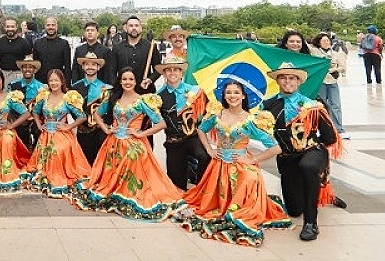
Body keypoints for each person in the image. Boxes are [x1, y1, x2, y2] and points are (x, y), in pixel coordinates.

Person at [179, 80, 288, 246]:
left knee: (250, 179)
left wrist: (252, 159)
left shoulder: (252, 120)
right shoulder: (217, 115)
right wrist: (210, 149)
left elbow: (275, 148)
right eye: (228, 92)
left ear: (243, 95)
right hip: (219, 166)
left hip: (241, 165)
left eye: (236, 92)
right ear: (223, 96)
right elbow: (201, 129)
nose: (232, 96)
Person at [72, 67, 185, 221]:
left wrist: (141, 133)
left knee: (134, 162)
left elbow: (161, 123)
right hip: (113, 143)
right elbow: (97, 114)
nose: (127, 82)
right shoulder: (113, 98)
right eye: (124, 79)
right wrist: (106, 129)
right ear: (120, 81)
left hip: (135, 144)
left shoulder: (143, 100)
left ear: (136, 81)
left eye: (131, 79)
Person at [261, 61, 344, 242]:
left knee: (308, 167)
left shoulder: (313, 105)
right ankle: (323, 193)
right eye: (283, 78)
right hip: (287, 158)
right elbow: (259, 132)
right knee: (293, 210)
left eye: (292, 78)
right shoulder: (267, 106)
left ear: (299, 82)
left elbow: (330, 138)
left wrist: (309, 144)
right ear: (278, 81)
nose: (288, 81)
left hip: (312, 152)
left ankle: (311, 223)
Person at [25, 69, 91, 198]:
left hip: (62, 135)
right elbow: (35, 112)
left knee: (58, 150)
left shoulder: (68, 98)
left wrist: (69, 127)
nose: (53, 83)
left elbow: (82, 117)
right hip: (45, 135)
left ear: (62, 82)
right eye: (51, 80)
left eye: (56, 80)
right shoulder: (44, 96)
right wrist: (39, 124)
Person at [155, 55, 210, 190]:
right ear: (164, 74)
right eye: (168, 70)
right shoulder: (158, 97)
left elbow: (209, 113)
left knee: (205, 156)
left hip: (193, 137)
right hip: (174, 142)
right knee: (177, 187)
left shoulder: (196, 91)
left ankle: (201, 190)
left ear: (181, 73)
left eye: (176, 69)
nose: (172, 72)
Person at [70, 52, 110, 164]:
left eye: (93, 64)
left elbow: (109, 111)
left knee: (99, 161)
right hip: (83, 131)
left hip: (100, 131)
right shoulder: (75, 87)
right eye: (87, 64)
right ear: (82, 66)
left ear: (98, 67)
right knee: (84, 161)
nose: (90, 67)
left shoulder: (105, 88)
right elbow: (72, 109)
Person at [110, 16, 161, 95]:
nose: (134, 28)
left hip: (145, 92)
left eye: (136, 25)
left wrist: (150, 80)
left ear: (141, 28)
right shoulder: (117, 48)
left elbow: (158, 69)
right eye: (131, 26)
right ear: (126, 28)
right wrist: (116, 87)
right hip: (123, 93)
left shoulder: (151, 47)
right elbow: (112, 71)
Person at [311, 32, 349, 138]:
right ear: (319, 42)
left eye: (328, 40)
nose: (326, 42)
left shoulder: (336, 54)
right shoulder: (315, 52)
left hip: (332, 81)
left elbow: (343, 67)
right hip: (321, 82)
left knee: (335, 105)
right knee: (320, 106)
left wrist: (335, 69)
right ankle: (319, 129)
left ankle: (339, 129)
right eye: (324, 41)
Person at [8, 57, 45, 150]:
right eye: (25, 67)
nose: (27, 69)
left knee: (39, 131)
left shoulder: (41, 87)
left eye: (30, 67)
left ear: (35, 70)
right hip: (18, 118)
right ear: (21, 69)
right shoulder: (13, 85)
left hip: (36, 118)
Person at [32, 17, 72, 82]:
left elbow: (67, 66)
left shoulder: (64, 44)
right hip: (40, 82)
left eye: (53, 25)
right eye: (48, 25)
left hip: (58, 82)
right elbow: (35, 65)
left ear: (57, 27)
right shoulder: (37, 43)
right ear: (44, 27)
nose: (51, 27)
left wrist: (67, 84)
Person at [0, 18, 33, 86]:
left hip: (19, 74)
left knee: (19, 96)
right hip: (3, 74)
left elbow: (29, 58)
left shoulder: (23, 42)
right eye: (8, 26)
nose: (10, 29)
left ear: (16, 27)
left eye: (12, 26)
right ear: (4, 27)